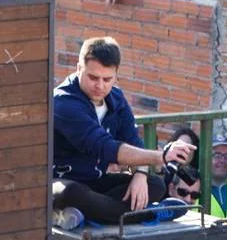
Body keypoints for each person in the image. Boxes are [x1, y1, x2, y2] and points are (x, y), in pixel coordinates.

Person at [52, 36, 194, 227]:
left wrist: (140, 175)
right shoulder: (63, 102)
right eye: (93, 77)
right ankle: (150, 213)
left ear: (116, 75)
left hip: (96, 183)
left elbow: (134, 142)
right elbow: (105, 147)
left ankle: (86, 214)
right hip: (61, 183)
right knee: (70, 193)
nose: (100, 86)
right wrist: (162, 156)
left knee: (155, 184)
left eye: (107, 79)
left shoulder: (116, 98)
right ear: (79, 68)